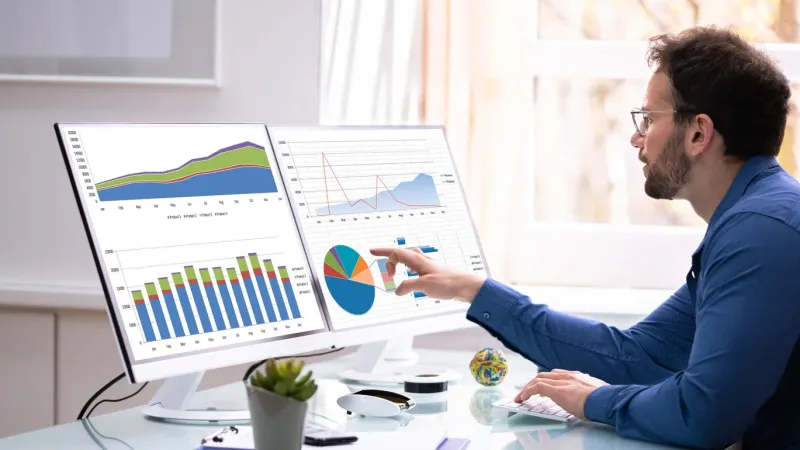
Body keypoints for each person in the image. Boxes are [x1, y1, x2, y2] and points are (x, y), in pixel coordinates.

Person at [372, 26, 800, 450]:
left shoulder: (760, 233)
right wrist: (474, 290)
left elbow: (702, 414)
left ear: (698, 134)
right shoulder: (753, 220)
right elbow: (634, 358)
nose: (637, 137)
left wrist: (596, 400)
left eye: (649, 119)